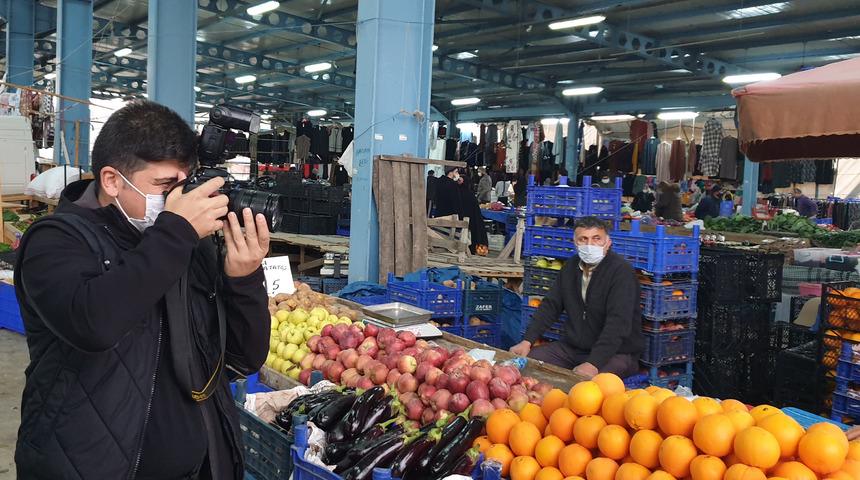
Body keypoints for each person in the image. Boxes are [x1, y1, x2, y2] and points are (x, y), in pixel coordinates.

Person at [14, 101, 270, 479]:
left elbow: (241, 359)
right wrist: (176, 232)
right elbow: (93, 323)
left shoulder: (184, 243)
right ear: (112, 181)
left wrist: (243, 279)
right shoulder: (56, 241)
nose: (176, 200)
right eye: (165, 186)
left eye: (184, 185)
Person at [510, 217, 643, 378]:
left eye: (596, 239)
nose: (590, 245)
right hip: (573, 349)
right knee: (526, 365)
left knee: (589, 386)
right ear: (575, 243)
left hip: (616, 353)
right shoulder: (570, 267)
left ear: (608, 242)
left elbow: (618, 324)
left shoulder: (621, 272)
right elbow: (551, 305)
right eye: (583, 239)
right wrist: (527, 341)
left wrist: (594, 362)